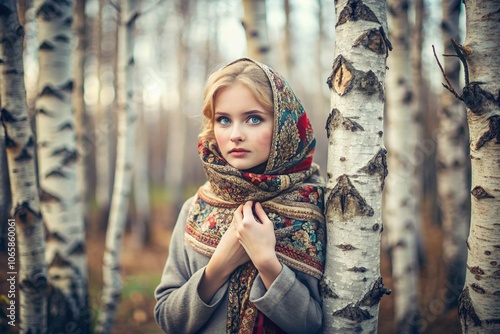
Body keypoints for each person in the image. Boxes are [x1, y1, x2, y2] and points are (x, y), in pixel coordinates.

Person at [154, 58, 326, 334]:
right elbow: (169, 320)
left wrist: (267, 263)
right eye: (224, 120)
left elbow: (320, 326)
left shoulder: (324, 209)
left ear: (285, 125)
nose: (235, 135)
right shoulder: (196, 209)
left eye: (254, 119)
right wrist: (219, 266)